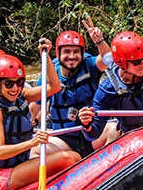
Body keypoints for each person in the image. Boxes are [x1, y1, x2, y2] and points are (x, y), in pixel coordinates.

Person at [0, 39, 87, 190]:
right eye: (9, 84)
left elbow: (54, 87)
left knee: (72, 156)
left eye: (19, 82)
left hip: (17, 165)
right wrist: (32, 142)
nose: (15, 88)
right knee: (68, 158)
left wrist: (45, 57)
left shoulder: (22, 96)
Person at [33, 16, 112, 156]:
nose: (72, 56)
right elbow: (33, 110)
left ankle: (108, 170)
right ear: (58, 54)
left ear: (82, 53)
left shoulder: (89, 65)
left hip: (92, 132)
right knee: (35, 150)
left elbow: (108, 60)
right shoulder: (47, 77)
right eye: (67, 52)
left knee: (114, 129)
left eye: (76, 51)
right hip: (64, 138)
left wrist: (99, 41)